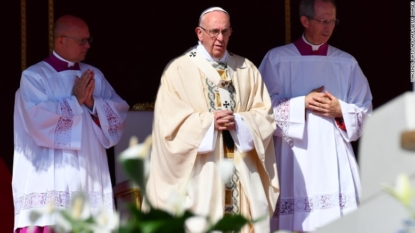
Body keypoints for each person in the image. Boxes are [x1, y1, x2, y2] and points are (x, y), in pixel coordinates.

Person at [144, 6, 279, 233]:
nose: (220, 38)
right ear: (199, 33)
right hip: (201, 175)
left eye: (225, 32)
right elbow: (168, 125)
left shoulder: (247, 69)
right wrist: (209, 123)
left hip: (241, 173)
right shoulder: (178, 70)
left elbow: (265, 115)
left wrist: (239, 122)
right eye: (214, 31)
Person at [258, 0, 373, 231]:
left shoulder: (346, 63)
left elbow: (365, 112)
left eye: (333, 21)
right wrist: (302, 103)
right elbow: (262, 112)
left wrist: (341, 111)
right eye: (323, 21)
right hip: (294, 159)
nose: (329, 26)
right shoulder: (277, 59)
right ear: (304, 21)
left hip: (334, 158)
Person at [12, 15, 129, 232]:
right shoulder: (35, 77)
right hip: (50, 172)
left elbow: (118, 112)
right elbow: (37, 121)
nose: (87, 46)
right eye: (81, 41)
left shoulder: (94, 75)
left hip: (89, 168)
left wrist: (93, 102)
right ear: (61, 41)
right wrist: (75, 101)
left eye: (88, 40)